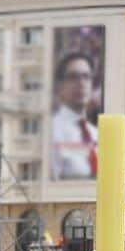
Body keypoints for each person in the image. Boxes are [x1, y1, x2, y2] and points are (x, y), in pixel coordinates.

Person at [50, 51, 99, 179]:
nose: (81, 83)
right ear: (60, 86)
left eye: (86, 77)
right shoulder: (51, 131)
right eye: (73, 77)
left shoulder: (95, 133)